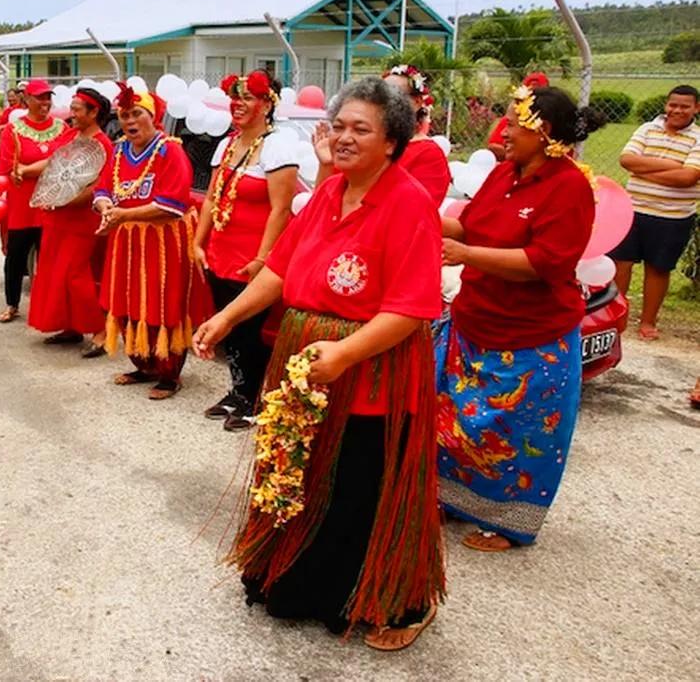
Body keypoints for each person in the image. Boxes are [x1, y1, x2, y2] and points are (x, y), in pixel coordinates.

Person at [192, 76, 444, 650]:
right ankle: (298, 582)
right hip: (309, 368)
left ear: (392, 142)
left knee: (360, 484)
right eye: (339, 126)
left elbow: (410, 308)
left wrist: (346, 353)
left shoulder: (408, 205)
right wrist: (228, 318)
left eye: (362, 129)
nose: (345, 138)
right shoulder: (330, 193)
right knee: (301, 475)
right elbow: (280, 269)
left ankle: (396, 603)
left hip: (370, 370)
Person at [438, 84, 606, 551]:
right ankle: (451, 498)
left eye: (513, 123)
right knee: (457, 419)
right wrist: (420, 217)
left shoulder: (569, 186)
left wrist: (466, 253)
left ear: (543, 130)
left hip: (533, 337)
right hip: (476, 321)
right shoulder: (503, 174)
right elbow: (468, 224)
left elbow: (546, 262)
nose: (504, 131)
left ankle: (510, 523)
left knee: (520, 433)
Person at [193, 71, 298, 430]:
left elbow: (281, 208)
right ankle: (239, 390)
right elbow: (211, 198)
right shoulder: (227, 144)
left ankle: (257, 397)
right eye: (233, 97)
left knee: (250, 330)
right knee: (230, 328)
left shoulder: (278, 145)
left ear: (268, 104)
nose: (237, 104)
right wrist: (198, 242)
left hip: (254, 258)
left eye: (248, 97)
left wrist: (263, 258)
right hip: (221, 252)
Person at [94, 82, 208, 400]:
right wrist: (106, 208)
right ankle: (143, 364)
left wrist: (123, 216)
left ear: (153, 117)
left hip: (163, 242)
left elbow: (171, 206)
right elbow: (103, 190)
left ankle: (169, 374)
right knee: (130, 301)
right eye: (125, 115)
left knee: (163, 303)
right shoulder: (118, 151)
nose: (129, 121)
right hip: (127, 240)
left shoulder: (170, 150)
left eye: (137, 114)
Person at [26, 86, 115, 357]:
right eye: (72, 108)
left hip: (81, 218)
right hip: (57, 215)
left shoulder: (102, 144)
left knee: (75, 274)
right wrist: (30, 175)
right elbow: (54, 166)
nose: (71, 114)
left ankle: (99, 330)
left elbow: (99, 187)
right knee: (54, 272)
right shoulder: (70, 135)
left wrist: (64, 200)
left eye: (77, 109)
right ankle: (71, 326)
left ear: (94, 112)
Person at [608, 84, 700, 340]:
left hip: (673, 217)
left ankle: (648, 322)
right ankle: (616, 317)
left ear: (696, 108)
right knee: (620, 264)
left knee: (658, 269)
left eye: (684, 106)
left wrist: (644, 170)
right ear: (666, 105)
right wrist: (673, 165)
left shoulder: (699, 138)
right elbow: (627, 160)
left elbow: (688, 177)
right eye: (673, 104)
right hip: (632, 210)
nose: (677, 110)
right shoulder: (647, 128)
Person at [0, 78, 66, 323]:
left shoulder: (62, 128)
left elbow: (64, 163)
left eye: (48, 97)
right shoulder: (13, 131)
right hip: (22, 206)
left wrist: (28, 169)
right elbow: (9, 169)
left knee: (50, 257)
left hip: (53, 204)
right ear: (27, 99)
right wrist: (30, 169)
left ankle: (48, 306)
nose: (45, 103)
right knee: (15, 257)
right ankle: (12, 303)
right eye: (40, 97)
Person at [382, 64, 451, 204]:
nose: (384, 102)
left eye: (395, 95)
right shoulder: (367, 142)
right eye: (380, 94)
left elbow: (418, 209)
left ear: (417, 102)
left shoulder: (429, 155)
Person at [487, 72, 549, 161]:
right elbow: (493, 147)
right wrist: (516, 155)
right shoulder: (511, 117)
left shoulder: (552, 120)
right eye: (530, 93)